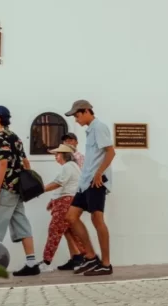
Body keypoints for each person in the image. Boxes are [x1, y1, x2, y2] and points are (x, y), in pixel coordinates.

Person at [0, 106, 40, 277]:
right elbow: (26, 162)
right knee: (22, 225)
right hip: (17, 190)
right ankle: (32, 263)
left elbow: (2, 164)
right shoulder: (15, 137)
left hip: (6, 189)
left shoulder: (1, 137)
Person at [64, 100, 115, 276]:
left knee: (97, 219)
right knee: (71, 217)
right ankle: (92, 256)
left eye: (77, 115)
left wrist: (99, 173)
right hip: (85, 182)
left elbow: (110, 152)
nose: (76, 120)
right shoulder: (90, 130)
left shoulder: (99, 127)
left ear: (87, 111)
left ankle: (106, 264)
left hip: (96, 182)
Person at [41, 144, 87, 271]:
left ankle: (47, 262)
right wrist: (53, 200)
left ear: (64, 155)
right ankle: (84, 257)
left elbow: (58, 183)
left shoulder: (67, 167)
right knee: (71, 231)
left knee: (54, 231)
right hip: (70, 201)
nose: (55, 157)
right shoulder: (73, 167)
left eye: (57, 154)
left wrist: (40, 189)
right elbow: (64, 186)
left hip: (65, 202)